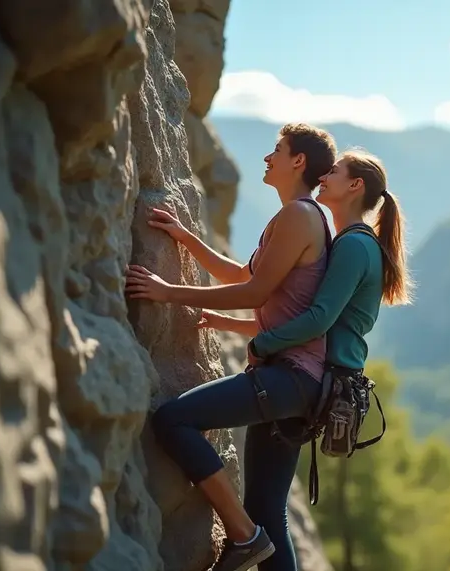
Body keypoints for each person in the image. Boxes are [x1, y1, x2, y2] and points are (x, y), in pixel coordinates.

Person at [124, 123, 337, 571]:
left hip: (289, 379)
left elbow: (254, 294)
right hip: (296, 384)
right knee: (267, 509)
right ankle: (251, 533)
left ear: (298, 161)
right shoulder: (296, 216)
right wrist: (184, 236)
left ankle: (242, 537)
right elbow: (240, 274)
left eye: (277, 150)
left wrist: (168, 291)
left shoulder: (300, 215)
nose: (267, 157)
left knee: (173, 419)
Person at [246, 148, 412, 427]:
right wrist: (227, 324)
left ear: (354, 185)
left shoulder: (353, 246)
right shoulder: (352, 242)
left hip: (313, 377)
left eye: (334, 171)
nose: (323, 176)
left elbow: (319, 319)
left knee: (177, 417)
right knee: (267, 472)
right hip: (320, 376)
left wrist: (261, 345)